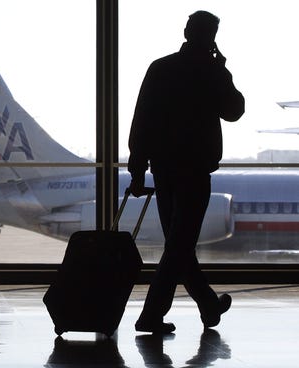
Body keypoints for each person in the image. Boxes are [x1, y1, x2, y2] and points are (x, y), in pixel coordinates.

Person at [128, 10, 245, 333]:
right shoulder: (211, 72)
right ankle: (151, 314)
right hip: (195, 171)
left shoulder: (160, 69)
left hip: (163, 170)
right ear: (212, 38)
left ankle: (208, 306)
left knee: (178, 244)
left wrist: (137, 169)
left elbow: (142, 122)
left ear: (185, 31)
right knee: (180, 245)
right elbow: (234, 110)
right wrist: (223, 73)